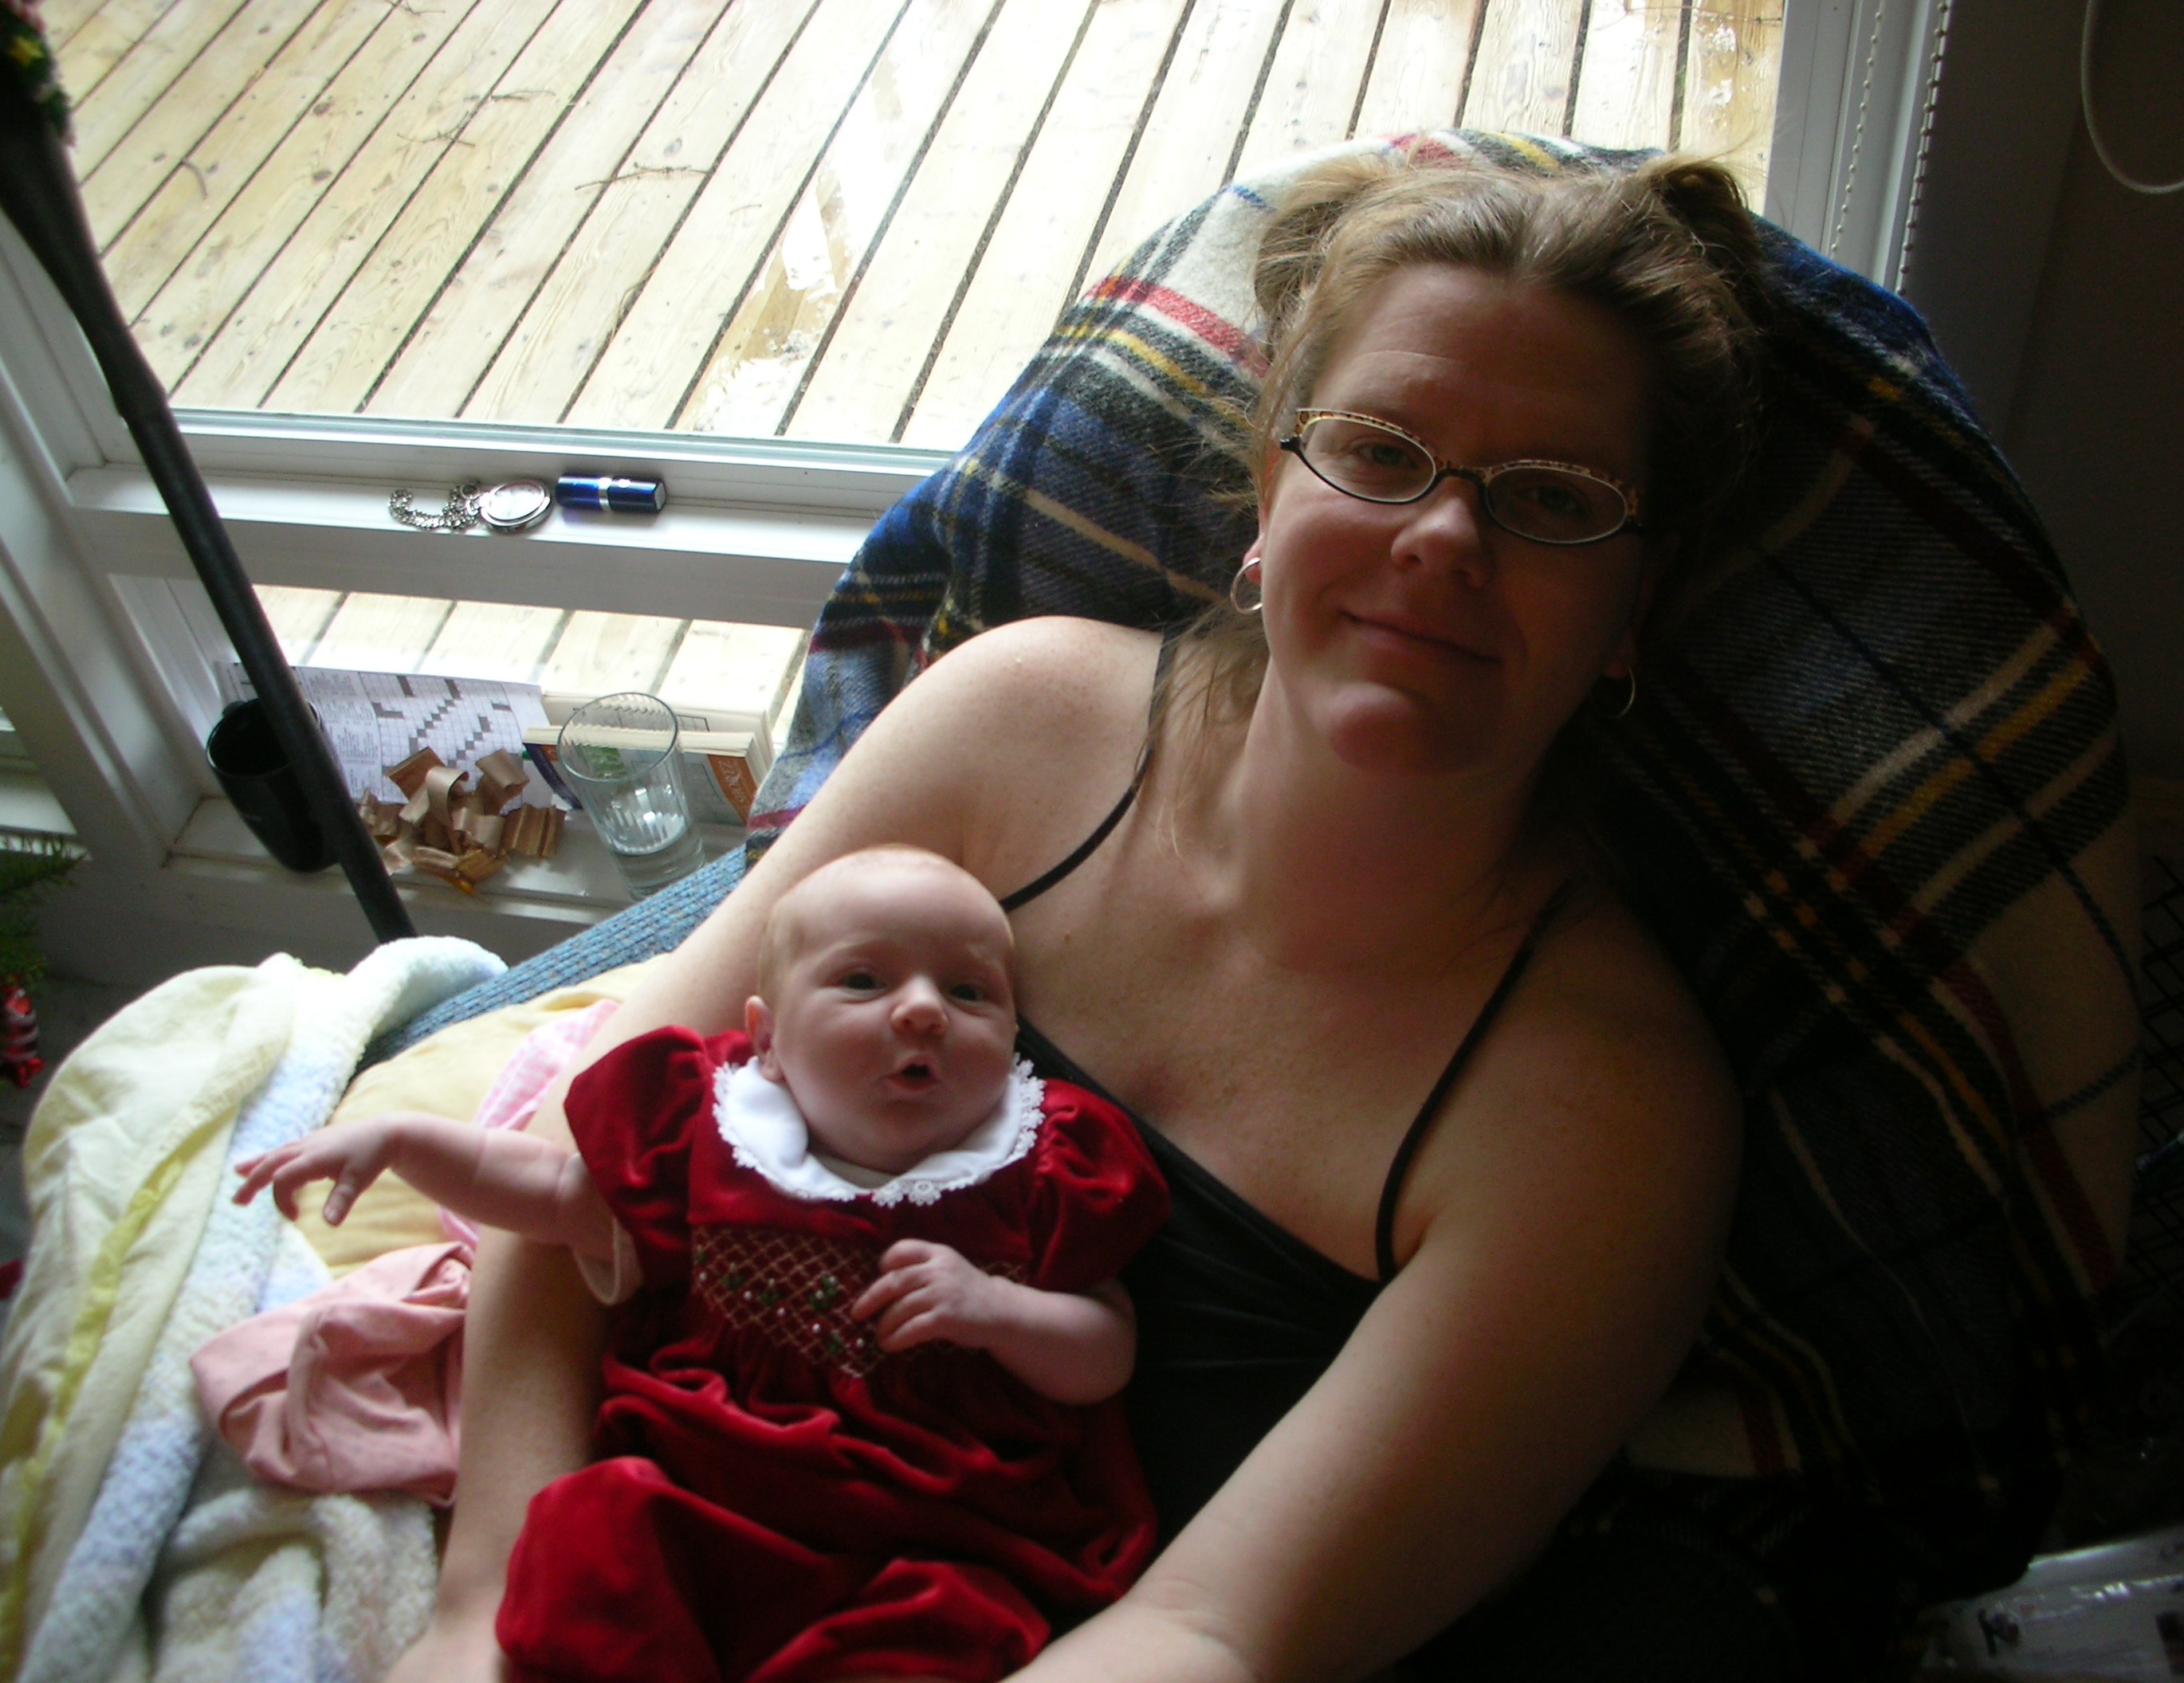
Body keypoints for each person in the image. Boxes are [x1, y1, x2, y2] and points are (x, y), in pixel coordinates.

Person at [391, 146, 1771, 1683]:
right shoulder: (1018, 721)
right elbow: (578, 1165)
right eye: (1380, 452)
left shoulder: (1607, 1121)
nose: (1444, 537)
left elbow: (1214, 1631)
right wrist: (481, 1613)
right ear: (1270, 494)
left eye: (1555, 500)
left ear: (1635, 603)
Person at [235, 845, 1170, 1683]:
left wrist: (996, 1310)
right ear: (766, 1040)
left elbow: (1106, 1353)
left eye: (969, 993)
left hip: (926, 1534)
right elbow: (550, 1192)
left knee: (941, 1636)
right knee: (591, 1543)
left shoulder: (1040, 1168)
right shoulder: (706, 1135)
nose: (924, 1010)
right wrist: (404, 1141)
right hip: (691, 1493)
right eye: (862, 980)